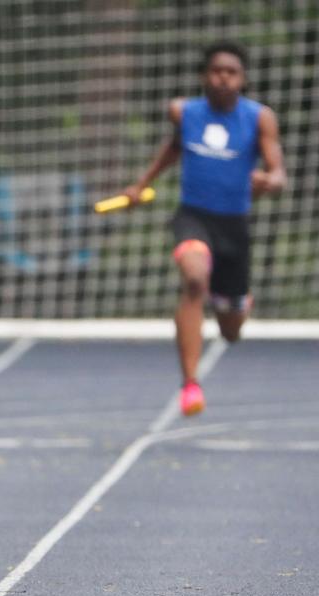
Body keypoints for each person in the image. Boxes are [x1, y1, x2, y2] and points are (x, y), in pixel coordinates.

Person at [121, 42, 285, 416]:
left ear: (242, 79)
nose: (223, 78)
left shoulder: (259, 118)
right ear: (204, 76)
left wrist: (270, 181)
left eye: (232, 72)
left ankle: (238, 306)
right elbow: (173, 149)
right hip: (193, 216)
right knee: (195, 278)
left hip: (234, 226)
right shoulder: (185, 112)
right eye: (216, 71)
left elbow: (278, 172)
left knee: (230, 331)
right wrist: (141, 183)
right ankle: (190, 384)